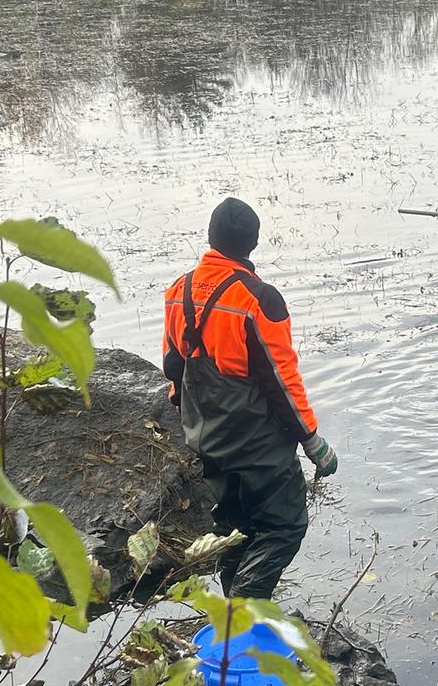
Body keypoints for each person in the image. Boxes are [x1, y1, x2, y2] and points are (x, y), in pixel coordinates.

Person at [162, 197, 337, 599]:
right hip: (255, 444)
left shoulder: (177, 290)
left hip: (207, 437)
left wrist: (189, 419)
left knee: (232, 530)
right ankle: (245, 609)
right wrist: (312, 441)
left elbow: (174, 368)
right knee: (284, 526)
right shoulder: (259, 298)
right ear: (253, 244)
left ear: (211, 237)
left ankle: (234, 620)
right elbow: (280, 380)